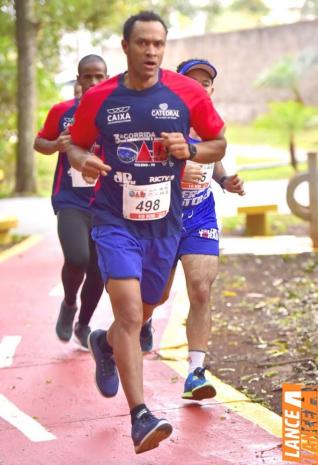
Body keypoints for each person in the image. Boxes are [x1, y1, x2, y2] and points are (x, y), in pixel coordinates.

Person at [67, 11, 226, 454]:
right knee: (132, 314)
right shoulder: (100, 97)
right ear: (126, 47)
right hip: (114, 219)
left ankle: (104, 340)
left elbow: (218, 142)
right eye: (143, 44)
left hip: (165, 223)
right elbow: (77, 143)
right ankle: (140, 415)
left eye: (158, 44)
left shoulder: (186, 93)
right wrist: (82, 160)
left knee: (144, 310)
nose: (152, 51)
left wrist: (192, 148)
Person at [141, 58, 245, 401]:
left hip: (200, 214)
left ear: (212, 89)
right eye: (193, 81)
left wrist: (226, 180)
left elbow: (214, 164)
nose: (201, 87)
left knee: (200, 287)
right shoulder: (160, 118)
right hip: (162, 217)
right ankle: (128, 328)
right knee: (155, 295)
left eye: (206, 82)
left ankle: (195, 372)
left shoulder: (213, 123)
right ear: (176, 85)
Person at [34, 55, 109, 349]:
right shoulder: (63, 112)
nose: (92, 82)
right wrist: (56, 145)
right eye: (87, 76)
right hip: (71, 201)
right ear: (78, 80)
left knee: (100, 270)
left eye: (99, 76)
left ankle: (84, 323)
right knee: (78, 258)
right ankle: (68, 304)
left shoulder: (116, 112)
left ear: (107, 78)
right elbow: (39, 142)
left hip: (106, 203)